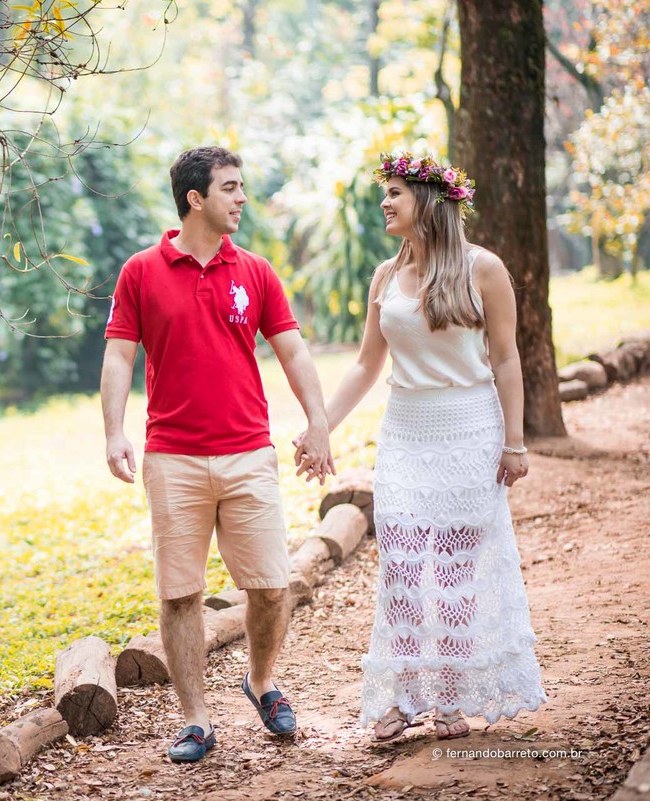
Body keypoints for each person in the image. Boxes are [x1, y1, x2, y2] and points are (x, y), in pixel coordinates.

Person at [295, 152, 547, 743]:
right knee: (404, 568)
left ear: (428, 203)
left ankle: (451, 698)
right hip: (405, 435)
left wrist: (515, 442)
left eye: (395, 193)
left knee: (454, 573)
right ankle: (404, 696)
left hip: (469, 431)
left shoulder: (484, 269)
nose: (384, 202)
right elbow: (366, 365)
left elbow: (506, 359)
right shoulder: (385, 276)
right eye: (385, 192)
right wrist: (320, 426)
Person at [101, 146, 334, 763]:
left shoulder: (255, 271)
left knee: (271, 586)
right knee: (180, 595)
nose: (241, 198)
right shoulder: (140, 272)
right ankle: (196, 720)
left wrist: (318, 422)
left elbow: (293, 350)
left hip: (248, 453)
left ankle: (261, 681)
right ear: (194, 198)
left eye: (241, 186)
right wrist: (114, 432)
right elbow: (120, 355)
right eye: (230, 187)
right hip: (172, 459)